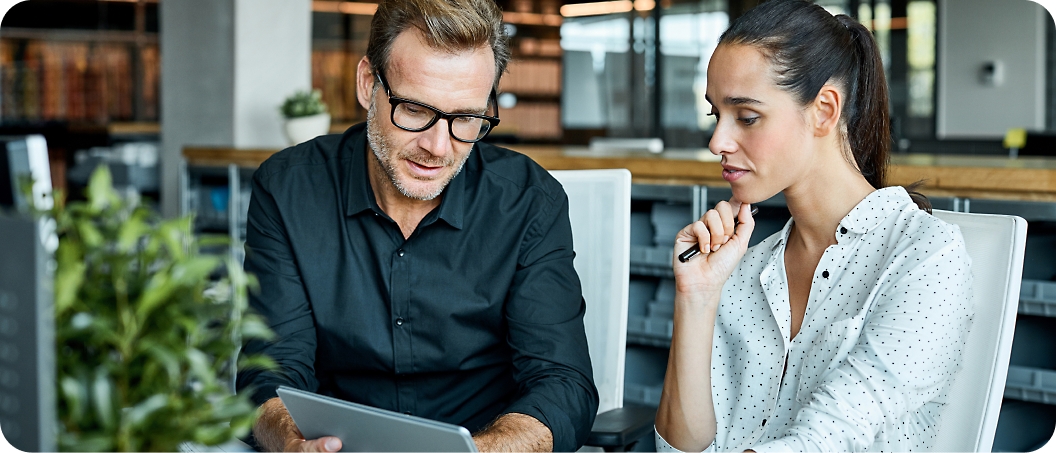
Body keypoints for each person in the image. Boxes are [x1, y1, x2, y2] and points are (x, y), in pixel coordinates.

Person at [234, 0, 599, 451]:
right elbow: (270, 370)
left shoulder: (528, 203)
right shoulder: (288, 189)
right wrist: (291, 442)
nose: (437, 147)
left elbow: (563, 385)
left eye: (466, 118)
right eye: (414, 109)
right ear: (369, 85)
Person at [653, 1, 973, 451]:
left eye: (746, 117)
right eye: (716, 115)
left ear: (824, 110)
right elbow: (677, 448)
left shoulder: (925, 257)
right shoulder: (743, 267)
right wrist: (697, 298)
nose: (717, 142)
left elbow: (826, 441)